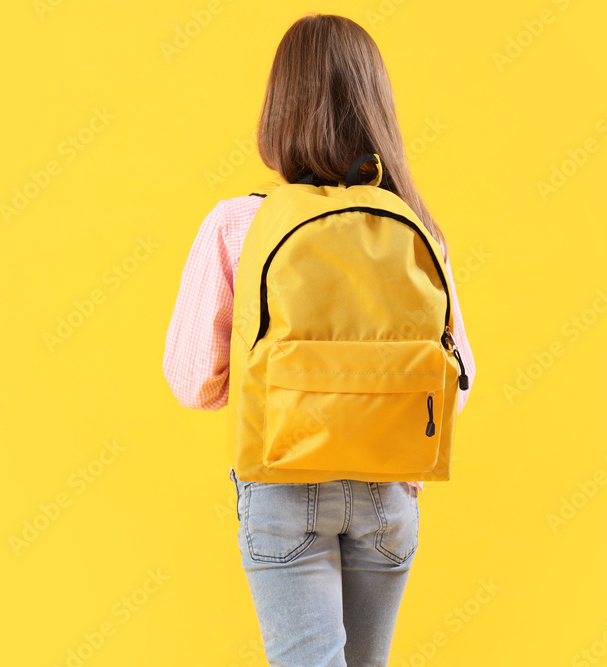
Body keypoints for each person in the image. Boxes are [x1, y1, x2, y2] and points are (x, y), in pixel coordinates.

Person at [163, 12, 476, 666]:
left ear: (279, 109)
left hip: (282, 483)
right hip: (389, 496)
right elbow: (457, 380)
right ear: (378, 111)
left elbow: (192, 380)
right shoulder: (414, 224)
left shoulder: (238, 224)